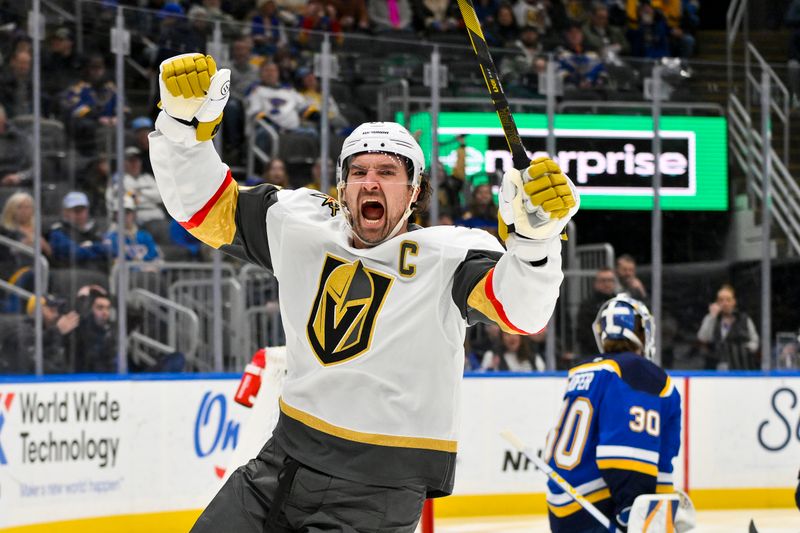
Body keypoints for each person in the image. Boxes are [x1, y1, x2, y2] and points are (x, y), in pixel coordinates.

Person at [149, 52, 578, 532]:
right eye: (359, 171)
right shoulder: (304, 225)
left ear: (415, 191)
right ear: (341, 184)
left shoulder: (449, 258)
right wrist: (183, 128)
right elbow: (205, 210)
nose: (370, 181)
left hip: (377, 495)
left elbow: (523, 311)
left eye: (388, 172)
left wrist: (536, 243)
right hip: (282, 462)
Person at [544, 295, 681, 532]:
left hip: (565, 509)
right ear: (641, 332)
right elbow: (626, 455)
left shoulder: (584, 369)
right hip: (602, 510)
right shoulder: (639, 372)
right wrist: (633, 514)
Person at [696, 284, 759, 370]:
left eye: (728, 300)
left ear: (734, 301)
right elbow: (703, 338)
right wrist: (712, 317)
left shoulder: (744, 319)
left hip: (741, 368)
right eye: (721, 300)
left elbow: (755, 341)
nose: (725, 303)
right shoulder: (711, 318)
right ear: (717, 302)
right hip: (716, 367)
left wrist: (745, 349)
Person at [47, 191, 108, 272]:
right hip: (70, 277)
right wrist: (96, 250)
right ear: (65, 212)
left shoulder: (94, 229)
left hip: (97, 276)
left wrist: (91, 246)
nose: (79, 214)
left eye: (82, 210)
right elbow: (75, 253)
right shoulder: (58, 231)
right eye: (75, 210)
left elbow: (109, 251)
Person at [573, 267, 616, 355]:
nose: (607, 284)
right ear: (596, 283)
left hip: (616, 351)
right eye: (603, 280)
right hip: (593, 353)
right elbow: (584, 333)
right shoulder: (587, 305)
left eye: (610, 280)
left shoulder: (619, 303)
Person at [480, 330, 545, 371]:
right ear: (501, 337)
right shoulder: (491, 356)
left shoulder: (533, 357)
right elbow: (481, 381)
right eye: (507, 334)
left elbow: (544, 380)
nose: (512, 337)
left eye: (515, 333)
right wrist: (490, 368)